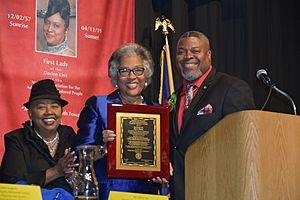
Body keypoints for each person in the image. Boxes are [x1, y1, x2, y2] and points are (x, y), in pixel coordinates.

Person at [169, 31, 256, 200]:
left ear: (208, 55)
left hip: (217, 189)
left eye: (195, 51)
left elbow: (242, 144)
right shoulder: (174, 97)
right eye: (181, 51)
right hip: (181, 192)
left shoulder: (231, 88)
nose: (188, 56)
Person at [75, 43, 161, 200]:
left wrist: (163, 169)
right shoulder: (99, 105)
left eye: (138, 70)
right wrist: (104, 147)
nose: (131, 76)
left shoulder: (157, 111)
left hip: (146, 193)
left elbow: (161, 155)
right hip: (108, 193)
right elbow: (79, 154)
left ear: (146, 75)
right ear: (115, 76)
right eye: (124, 71)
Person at [0, 79, 78, 194]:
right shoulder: (17, 139)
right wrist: (56, 171)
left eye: (54, 106)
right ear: (30, 113)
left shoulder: (69, 135)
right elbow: (11, 186)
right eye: (41, 107)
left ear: (61, 111)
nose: (49, 112)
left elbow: (84, 184)